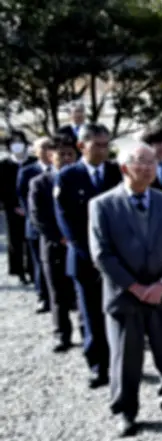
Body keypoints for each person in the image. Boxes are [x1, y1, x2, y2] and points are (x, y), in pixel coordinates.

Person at [88, 141, 162, 437]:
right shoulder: (102, 205)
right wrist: (134, 287)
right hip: (125, 296)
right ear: (125, 167)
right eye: (141, 162)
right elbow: (102, 254)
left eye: (152, 162)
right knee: (126, 358)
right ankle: (125, 411)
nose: (148, 168)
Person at [54, 124, 123, 389]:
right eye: (98, 145)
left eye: (107, 144)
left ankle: (122, 363)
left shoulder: (116, 172)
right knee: (92, 316)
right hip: (86, 260)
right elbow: (68, 223)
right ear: (81, 146)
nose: (104, 150)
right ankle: (98, 366)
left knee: (120, 314)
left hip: (118, 258)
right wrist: (95, 256)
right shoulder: (68, 177)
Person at [29, 135, 79, 353]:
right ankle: (62, 334)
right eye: (62, 154)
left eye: (70, 154)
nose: (67, 158)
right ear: (50, 156)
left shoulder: (81, 178)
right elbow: (38, 217)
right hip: (53, 246)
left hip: (80, 245)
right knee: (58, 294)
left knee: (83, 293)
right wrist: (61, 237)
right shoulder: (39, 183)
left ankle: (89, 333)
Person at [17, 137, 54, 311]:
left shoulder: (59, 169)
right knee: (40, 263)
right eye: (43, 147)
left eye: (50, 147)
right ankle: (43, 296)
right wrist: (36, 219)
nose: (47, 151)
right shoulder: (27, 171)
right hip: (36, 225)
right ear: (35, 151)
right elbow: (23, 197)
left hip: (57, 226)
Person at [0, 131, 36, 285]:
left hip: (32, 208)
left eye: (19, 141)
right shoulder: (4, 165)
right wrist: (11, 206)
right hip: (12, 208)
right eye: (13, 142)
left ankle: (33, 270)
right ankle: (19, 270)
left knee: (31, 239)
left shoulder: (33, 162)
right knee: (15, 240)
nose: (17, 145)